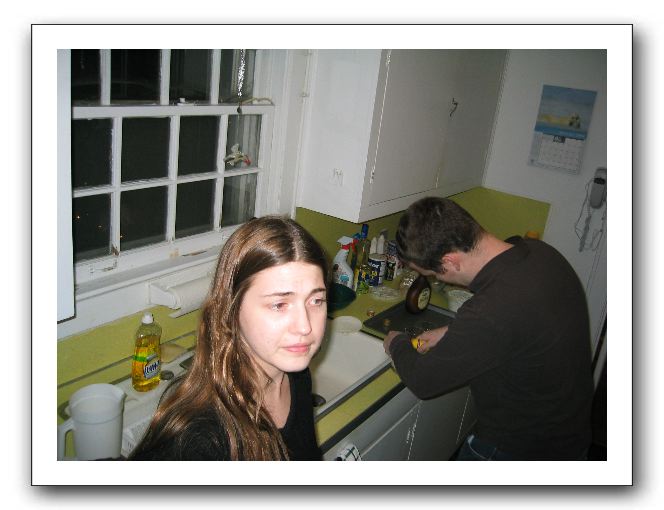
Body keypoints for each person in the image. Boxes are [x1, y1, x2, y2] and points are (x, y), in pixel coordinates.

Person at [384, 197, 594, 461]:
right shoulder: (541, 253)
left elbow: (423, 380)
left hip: (521, 451)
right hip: (569, 438)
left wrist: (396, 343)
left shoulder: (492, 308)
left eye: (435, 274)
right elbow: (523, 324)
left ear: (450, 262)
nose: (437, 279)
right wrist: (450, 331)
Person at [130, 216, 328, 461]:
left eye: (316, 300)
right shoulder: (199, 441)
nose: (305, 327)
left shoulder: (295, 375)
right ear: (232, 309)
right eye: (279, 304)